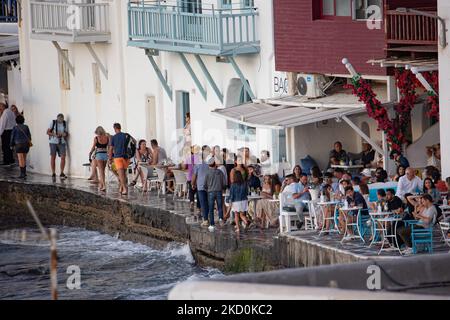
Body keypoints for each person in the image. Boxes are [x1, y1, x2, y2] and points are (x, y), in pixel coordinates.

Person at [203, 157, 227, 230]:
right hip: (219, 191)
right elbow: (224, 183)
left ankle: (212, 224)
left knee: (211, 208)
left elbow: (205, 185)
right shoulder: (220, 172)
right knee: (220, 207)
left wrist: (207, 189)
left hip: (210, 192)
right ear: (215, 164)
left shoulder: (207, 173)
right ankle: (220, 219)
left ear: (209, 165)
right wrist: (223, 188)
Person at [108, 123, 130, 196]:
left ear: (114, 128)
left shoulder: (114, 137)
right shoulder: (125, 135)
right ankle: (121, 187)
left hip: (118, 157)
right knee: (124, 174)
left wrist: (110, 158)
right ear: (120, 127)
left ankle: (125, 189)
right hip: (126, 157)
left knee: (121, 175)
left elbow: (111, 149)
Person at [192, 145, 211, 225]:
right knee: (209, 202)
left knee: (203, 203)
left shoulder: (197, 164)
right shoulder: (210, 163)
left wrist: (193, 184)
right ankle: (209, 217)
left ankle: (206, 220)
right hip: (209, 185)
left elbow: (194, 175)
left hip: (200, 186)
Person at [47, 113, 68, 180]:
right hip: (53, 142)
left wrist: (64, 134)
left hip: (62, 142)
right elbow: (47, 132)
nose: (60, 121)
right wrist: (55, 134)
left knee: (63, 157)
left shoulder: (64, 123)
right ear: (57, 118)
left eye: (61, 120)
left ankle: (62, 172)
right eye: (59, 120)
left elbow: (66, 133)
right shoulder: (53, 122)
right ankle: (53, 173)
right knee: (53, 157)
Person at [89, 126, 109, 192]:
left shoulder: (96, 138)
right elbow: (109, 147)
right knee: (102, 171)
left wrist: (90, 153)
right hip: (105, 155)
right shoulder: (107, 137)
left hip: (99, 155)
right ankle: (101, 185)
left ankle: (104, 185)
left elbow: (93, 147)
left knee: (101, 171)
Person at [10, 115, 31, 179]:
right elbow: (29, 136)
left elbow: (12, 137)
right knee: (24, 158)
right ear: (23, 120)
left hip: (18, 144)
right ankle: (24, 173)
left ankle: (22, 174)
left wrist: (11, 145)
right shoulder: (26, 127)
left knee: (20, 159)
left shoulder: (15, 128)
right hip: (26, 144)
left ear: (16, 121)